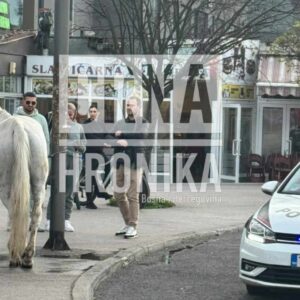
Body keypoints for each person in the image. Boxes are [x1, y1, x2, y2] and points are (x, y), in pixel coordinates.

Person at [45, 103, 86, 232]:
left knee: (69, 192)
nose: (69, 114)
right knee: (56, 191)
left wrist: (79, 145)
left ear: (74, 113)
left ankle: (66, 219)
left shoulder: (79, 127)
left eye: (71, 111)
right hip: (59, 160)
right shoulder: (57, 126)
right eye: (66, 111)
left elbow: (84, 147)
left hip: (74, 160)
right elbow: (50, 143)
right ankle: (49, 220)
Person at [113, 95, 148, 239]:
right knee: (118, 194)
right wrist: (116, 141)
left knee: (132, 195)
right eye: (127, 105)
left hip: (135, 161)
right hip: (121, 161)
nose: (129, 107)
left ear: (138, 107)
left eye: (132, 105)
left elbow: (141, 136)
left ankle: (133, 226)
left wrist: (124, 137)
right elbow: (111, 135)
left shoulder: (143, 122)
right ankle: (128, 223)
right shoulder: (121, 122)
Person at [82, 105, 112, 209]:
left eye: (94, 111)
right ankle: (90, 201)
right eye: (91, 111)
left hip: (99, 152)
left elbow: (107, 135)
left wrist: (115, 140)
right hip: (90, 152)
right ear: (89, 113)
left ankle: (101, 189)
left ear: (98, 113)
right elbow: (90, 137)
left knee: (109, 166)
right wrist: (102, 143)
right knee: (91, 175)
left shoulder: (100, 124)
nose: (93, 113)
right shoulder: (85, 124)